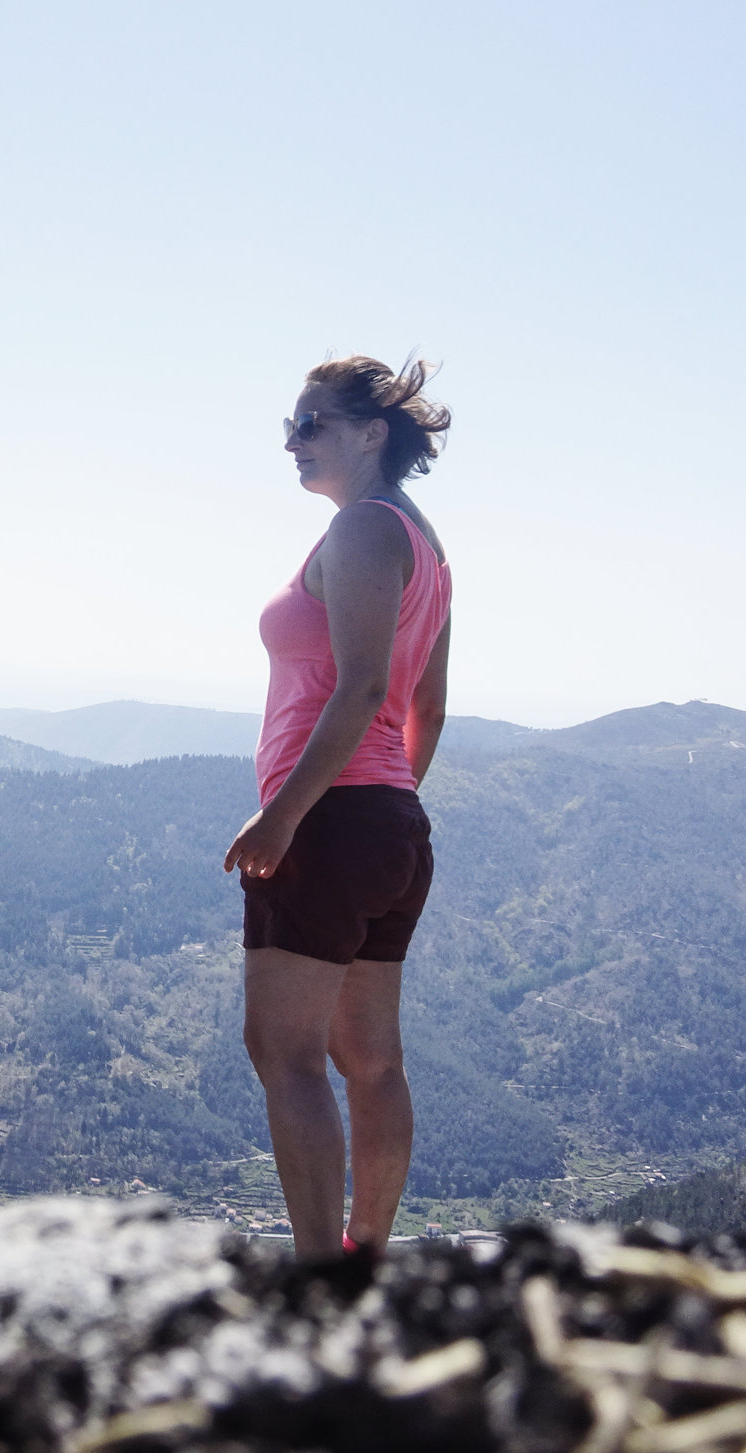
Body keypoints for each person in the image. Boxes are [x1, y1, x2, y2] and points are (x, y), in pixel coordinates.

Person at [223, 354, 453, 1262]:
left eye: (311, 422)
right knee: (372, 1058)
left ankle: (321, 1271)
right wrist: (388, 806)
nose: (292, 438)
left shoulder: (363, 528)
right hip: (388, 823)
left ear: (373, 434)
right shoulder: (427, 547)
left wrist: (286, 813)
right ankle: (366, 1252)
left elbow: (361, 691)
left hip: (331, 821)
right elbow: (424, 708)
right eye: (291, 423)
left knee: (285, 1052)